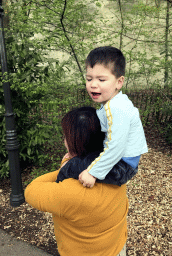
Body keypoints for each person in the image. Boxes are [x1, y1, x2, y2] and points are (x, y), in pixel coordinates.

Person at [25, 107, 129, 256]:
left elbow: (31, 190)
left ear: (74, 144)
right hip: (116, 246)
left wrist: (67, 166)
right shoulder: (117, 172)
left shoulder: (70, 192)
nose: (64, 140)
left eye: (66, 137)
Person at [79, 46, 148, 188]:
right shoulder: (114, 102)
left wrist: (93, 173)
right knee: (79, 160)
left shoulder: (116, 108)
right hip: (123, 162)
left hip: (122, 166)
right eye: (89, 78)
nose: (93, 85)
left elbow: (116, 146)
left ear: (119, 82)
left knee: (72, 166)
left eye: (101, 80)